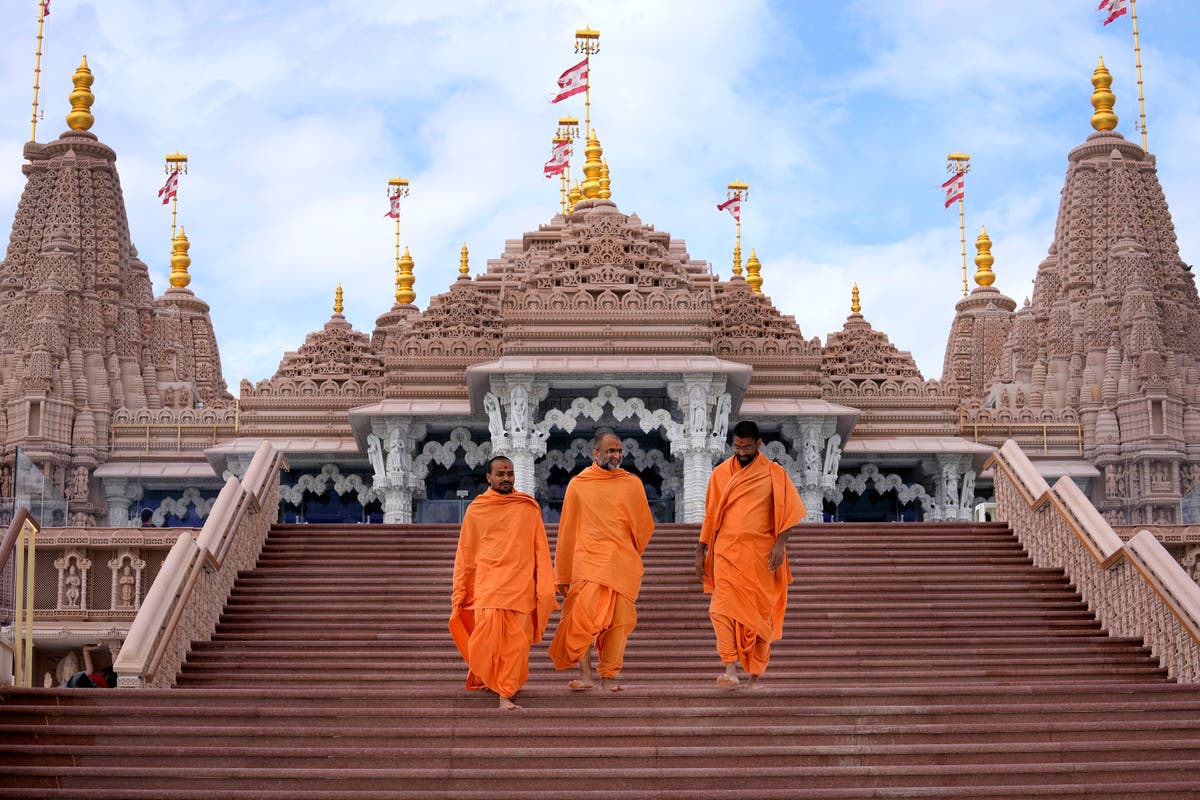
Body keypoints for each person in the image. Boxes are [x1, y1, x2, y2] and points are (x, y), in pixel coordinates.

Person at [695, 420, 804, 688]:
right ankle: (729, 668)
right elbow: (711, 515)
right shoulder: (720, 473)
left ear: (758, 444)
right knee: (720, 610)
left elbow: (791, 513)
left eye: (746, 447)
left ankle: (755, 676)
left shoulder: (774, 474)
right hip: (726, 553)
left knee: (760, 617)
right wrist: (701, 548)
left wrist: (780, 544)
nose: (741, 451)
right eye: (736, 446)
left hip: (761, 555)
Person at [548, 428, 655, 692]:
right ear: (595, 453)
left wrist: (627, 552)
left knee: (618, 625)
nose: (616, 455)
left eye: (619, 450)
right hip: (587, 563)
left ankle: (608, 678)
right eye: (610, 450)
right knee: (581, 621)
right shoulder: (579, 485)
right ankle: (585, 676)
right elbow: (568, 528)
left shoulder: (632, 483)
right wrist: (562, 574)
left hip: (620, 564)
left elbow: (644, 525)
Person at [449, 456, 555, 710]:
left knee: (516, 646)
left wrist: (544, 585)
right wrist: (460, 589)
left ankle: (505, 693)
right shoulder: (477, 509)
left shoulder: (527, 507)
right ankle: (492, 679)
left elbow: (540, 548)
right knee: (485, 642)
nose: (506, 478)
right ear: (489, 478)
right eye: (500, 474)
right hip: (489, 586)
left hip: (519, 587)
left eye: (510, 473)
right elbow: (466, 553)